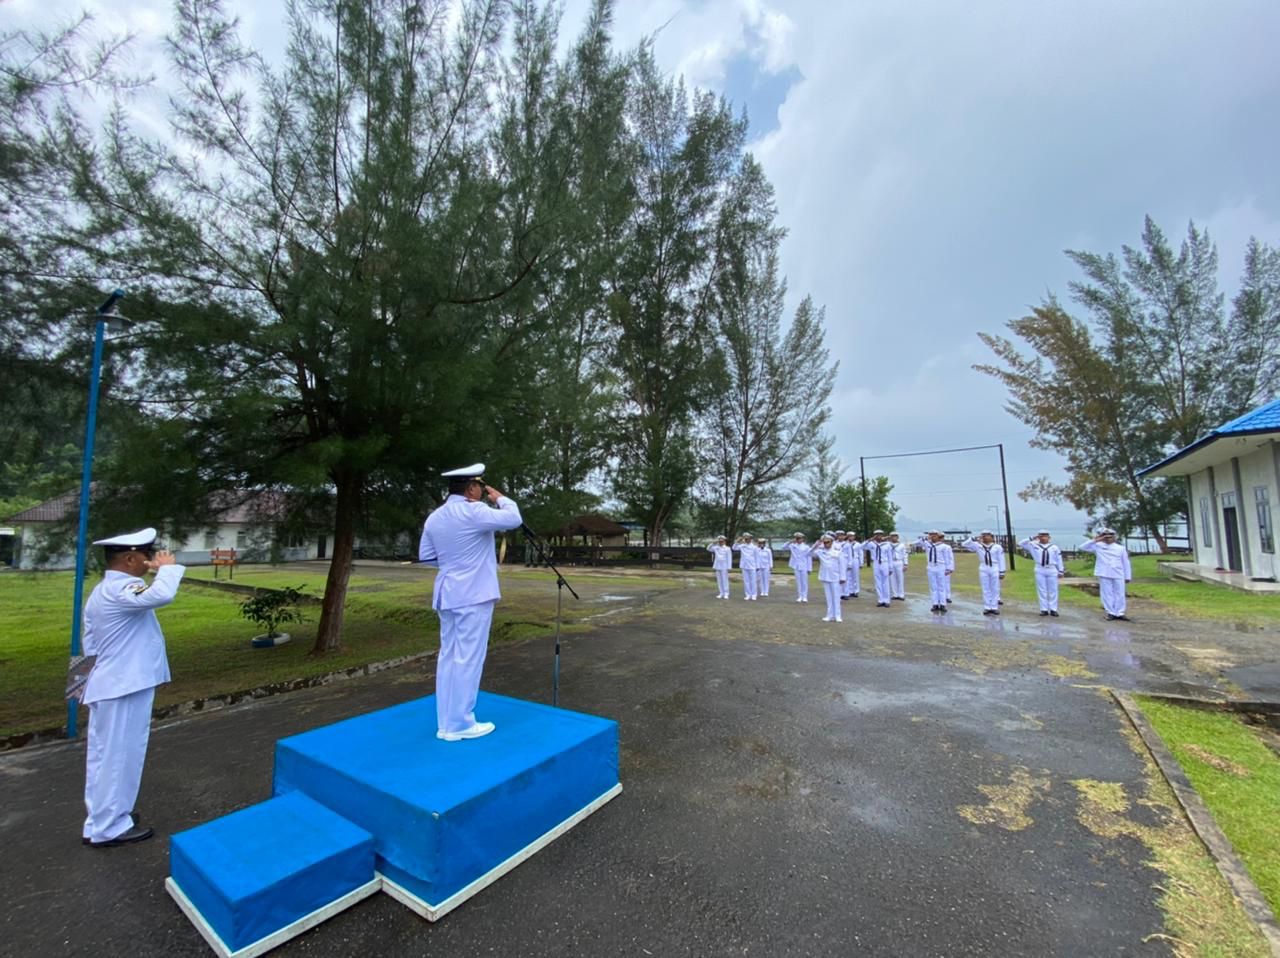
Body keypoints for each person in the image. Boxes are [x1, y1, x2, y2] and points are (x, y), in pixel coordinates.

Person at [80, 527, 184, 847]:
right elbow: (161, 595)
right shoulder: (123, 587)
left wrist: (82, 685)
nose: (149, 561)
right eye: (145, 556)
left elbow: (90, 644)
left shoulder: (102, 591)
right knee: (120, 757)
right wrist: (168, 568)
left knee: (106, 756)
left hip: (112, 684)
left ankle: (105, 818)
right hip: (123, 686)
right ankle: (108, 826)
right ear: (129, 559)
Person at [418, 463, 523, 741]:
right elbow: (513, 518)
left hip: (447, 594)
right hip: (474, 595)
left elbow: (427, 556)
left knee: (449, 657)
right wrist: (500, 497)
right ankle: (462, 723)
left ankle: (446, 723)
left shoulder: (435, 517)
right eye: (479, 485)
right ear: (472, 488)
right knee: (468, 659)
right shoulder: (474, 510)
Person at [1080, 528, 1132, 620]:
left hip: (1118, 572)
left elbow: (1125, 562)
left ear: (1114, 537)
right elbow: (1082, 547)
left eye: (1110, 536)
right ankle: (1110, 612)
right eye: (1106, 536)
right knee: (1107, 593)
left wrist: (1127, 576)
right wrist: (1096, 540)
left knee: (1120, 593)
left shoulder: (1120, 548)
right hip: (1104, 572)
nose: (1108, 538)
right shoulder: (1097, 546)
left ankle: (1119, 612)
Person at [1019, 530, 1066, 616]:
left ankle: (1053, 609)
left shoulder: (1054, 547)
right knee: (1042, 590)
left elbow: (1059, 559)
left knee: (1053, 590)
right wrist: (1032, 538)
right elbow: (1021, 543)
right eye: (1041, 536)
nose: (1043, 538)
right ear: (1039, 537)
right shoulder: (1033, 545)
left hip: (1052, 568)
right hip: (1040, 568)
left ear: (1049, 537)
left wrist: (1061, 570)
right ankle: (1043, 609)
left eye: (1045, 536)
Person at [961, 531, 1006, 615]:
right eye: (983, 536)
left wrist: (1002, 571)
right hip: (984, 566)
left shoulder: (997, 547)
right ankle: (987, 607)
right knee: (985, 588)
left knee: (995, 588)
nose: (985, 537)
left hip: (994, 567)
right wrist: (974, 538)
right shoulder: (978, 546)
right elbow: (964, 544)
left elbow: (1001, 559)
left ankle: (994, 607)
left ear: (992, 537)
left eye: (987, 536)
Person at [809, 534, 846, 622]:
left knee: (836, 597)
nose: (826, 544)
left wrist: (843, 577)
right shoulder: (820, 551)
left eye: (828, 542)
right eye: (824, 542)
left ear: (832, 542)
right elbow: (809, 554)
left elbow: (842, 565)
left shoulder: (837, 551)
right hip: (825, 576)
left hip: (835, 577)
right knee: (828, 597)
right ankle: (829, 615)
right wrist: (816, 545)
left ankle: (837, 615)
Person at [916, 530, 954, 613]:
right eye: (931, 535)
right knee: (933, 586)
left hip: (941, 566)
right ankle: (935, 603)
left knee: (941, 586)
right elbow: (916, 543)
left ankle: (943, 604)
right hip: (931, 566)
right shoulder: (927, 544)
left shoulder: (945, 546)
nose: (932, 536)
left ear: (938, 536)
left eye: (934, 535)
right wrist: (925, 538)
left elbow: (950, 558)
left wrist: (949, 568)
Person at [863, 530, 895, 607]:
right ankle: (880, 600)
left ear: (882, 535)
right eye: (877, 535)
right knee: (878, 582)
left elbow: (890, 557)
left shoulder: (887, 544)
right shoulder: (871, 544)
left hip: (884, 563)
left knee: (885, 582)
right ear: (874, 536)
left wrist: (891, 568)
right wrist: (870, 539)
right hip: (876, 563)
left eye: (880, 535)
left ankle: (887, 600)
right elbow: (862, 546)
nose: (878, 536)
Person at [787, 533, 813, 602]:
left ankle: (805, 596)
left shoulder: (806, 547)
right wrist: (790, 541)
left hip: (804, 566)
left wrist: (809, 568)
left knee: (804, 582)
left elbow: (809, 558)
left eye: (800, 538)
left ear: (803, 539)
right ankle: (800, 596)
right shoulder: (793, 546)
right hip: (796, 566)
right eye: (797, 538)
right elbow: (783, 547)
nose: (798, 540)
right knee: (798, 582)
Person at [733, 534, 759, 601]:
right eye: (745, 538)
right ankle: (748, 595)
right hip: (744, 565)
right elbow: (734, 548)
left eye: (748, 538)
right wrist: (737, 541)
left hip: (752, 565)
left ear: (751, 539)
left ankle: (753, 595)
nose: (746, 540)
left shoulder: (754, 547)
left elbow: (757, 557)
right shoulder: (742, 546)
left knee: (753, 581)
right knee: (746, 581)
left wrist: (757, 566)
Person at [889, 532, 909, 600]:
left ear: (897, 537)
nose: (893, 537)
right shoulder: (888, 545)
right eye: (892, 536)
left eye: (895, 536)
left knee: (900, 578)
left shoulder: (902, 545)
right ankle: (895, 594)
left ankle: (901, 595)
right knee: (892, 579)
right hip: (891, 562)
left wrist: (905, 564)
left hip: (899, 561)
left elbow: (905, 554)